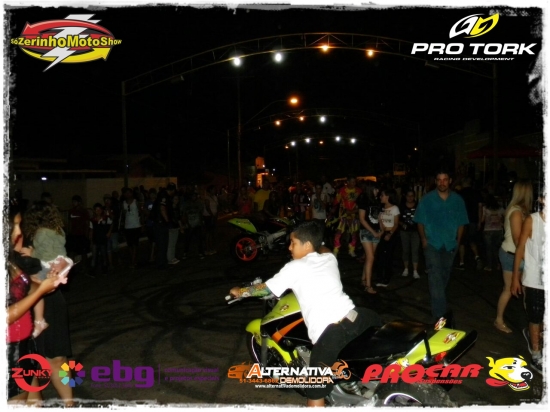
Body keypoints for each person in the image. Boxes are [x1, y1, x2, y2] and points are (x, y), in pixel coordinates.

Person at [229, 221, 381, 407]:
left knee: (314, 392)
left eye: (293, 243)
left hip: (333, 333)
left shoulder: (295, 267)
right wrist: (317, 242)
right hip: (360, 317)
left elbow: (266, 289)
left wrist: (240, 292)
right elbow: (324, 248)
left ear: (307, 245)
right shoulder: (329, 259)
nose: (289, 247)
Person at [19, 203, 75, 406]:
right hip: (23, 302)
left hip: (48, 298)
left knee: (57, 357)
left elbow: (49, 267)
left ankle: (70, 404)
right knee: (26, 361)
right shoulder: (45, 235)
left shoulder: (39, 236)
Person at [7, 204, 61, 405]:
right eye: (14, 226)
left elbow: (26, 288)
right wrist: (40, 291)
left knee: (37, 404)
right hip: (9, 352)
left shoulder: (10, 260)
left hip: (25, 346)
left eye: (19, 225)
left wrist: (47, 284)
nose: (19, 233)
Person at [414, 169, 469, 321]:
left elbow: (461, 223)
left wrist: (458, 241)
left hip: (450, 244)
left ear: (450, 181)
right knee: (435, 276)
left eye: (445, 179)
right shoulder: (427, 199)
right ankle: (440, 315)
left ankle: (437, 300)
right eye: (439, 180)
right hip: (432, 243)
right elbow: (419, 221)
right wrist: (424, 239)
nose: (442, 183)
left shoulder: (457, 200)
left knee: (444, 275)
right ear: (436, 181)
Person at [19, 201, 67, 338]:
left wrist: (32, 252)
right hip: (58, 263)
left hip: (48, 266)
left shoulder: (41, 232)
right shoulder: (58, 230)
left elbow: (46, 254)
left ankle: (39, 320)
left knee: (35, 288)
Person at [510, 194, 544, 374]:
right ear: (542, 199)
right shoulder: (532, 220)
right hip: (534, 280)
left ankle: (534, 337)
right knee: (535, 316)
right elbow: (520, 248)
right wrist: (515, 277)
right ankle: (536, 355)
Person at [494, 179, 533, 333]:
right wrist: (529, 259)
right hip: (511, 255)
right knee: (510, 289)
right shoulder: (516, 212)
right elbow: (518, 241)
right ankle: (499, 320)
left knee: (527, 290)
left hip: (516, 254)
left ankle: (533, 323)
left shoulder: (522, 211)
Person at [358, 182, 381, 294]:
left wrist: (381, 229)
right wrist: (373, 232)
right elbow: (362, 219)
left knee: (369, 257)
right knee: (370, 257)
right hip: (366, 232)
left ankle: (364, 279)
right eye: (376, 189)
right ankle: (368, 285)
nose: (378, 191)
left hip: (376, 231)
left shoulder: (377, 201)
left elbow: (379, 217)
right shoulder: (364, 200)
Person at [374, 188, 400, 288]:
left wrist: (390, 234)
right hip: (383, 232)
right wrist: (381, 226)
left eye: (382, 195)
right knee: (380, 256)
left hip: (391, 233)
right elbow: (380, 222)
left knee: (388, 256)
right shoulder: (382, 208)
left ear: (388, 197)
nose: (381, 197)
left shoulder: (395, 208)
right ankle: (379, 277)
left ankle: (386, 278)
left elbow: (396, 224)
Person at [456, 178, 483, 270]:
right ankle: (477, 257)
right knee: (472, 240)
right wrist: (479, 221)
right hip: (473, 220)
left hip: (462, 221)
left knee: (462, 241)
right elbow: (480, 207)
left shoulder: (460, 194)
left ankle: (462, 262)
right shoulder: (476, 193)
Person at [332, 176, 362, 258]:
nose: (354, 183)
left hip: (354, 214)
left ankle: (351, 250)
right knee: (338, 233)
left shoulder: (359, 191)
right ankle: (335, 250)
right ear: (347, 182)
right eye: (352, 182)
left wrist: (355, 211)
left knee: (354, 233)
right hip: (343, 214)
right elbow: (336, 201)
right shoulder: (342, 190)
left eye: (355, 182)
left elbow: (361, 203)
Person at [479, 194, 504, 272]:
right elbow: (505, 216)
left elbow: (482, 220)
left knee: (488, 249)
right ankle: (498, 264)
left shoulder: (485, 208)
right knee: (497, 248)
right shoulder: (500, 209)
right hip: (498, 230)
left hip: (488, 230)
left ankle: (489, 266)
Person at [66, 194, 89, 274]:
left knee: (83, 252)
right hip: (73, 234)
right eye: (73, 201)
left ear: (79, 202)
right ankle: (71, 268)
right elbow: (69, 222)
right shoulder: (71, 211)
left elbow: (87, 223)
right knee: (71, 252)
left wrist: (86, 234)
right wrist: (68, 232)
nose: (73, 203)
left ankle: (84, 267)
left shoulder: (83, 211)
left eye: (75, 202)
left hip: (81, 234)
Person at [400, 190, 421, 279]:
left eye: (412, 196)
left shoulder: (418, 206)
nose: (410, 197)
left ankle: (415, 270)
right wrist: (402, 224)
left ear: (414, 197)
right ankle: (406, 268)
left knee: (415, 250)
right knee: (405, 250)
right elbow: (397, 218)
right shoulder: (401, 206)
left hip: (415, 231)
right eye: (408, 195)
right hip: (404, 232)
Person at [89, 203, 113, 276]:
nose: (98, 211)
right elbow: (91, 230)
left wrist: (109, 232)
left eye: (99, 209)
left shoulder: (105, 218)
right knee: (94, 256)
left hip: (103, 240)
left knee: (104, 255)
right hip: (95, 240)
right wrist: (91, 241)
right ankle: (93, 271)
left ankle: (104, 269)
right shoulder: (92, 220)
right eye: (96, 210)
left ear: (102, 210)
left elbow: (111, 224)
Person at [121, 187, 142, 269]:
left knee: (135, 244)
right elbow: (123, 215)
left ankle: (133, 261)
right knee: (130, 244)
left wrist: (142, 223)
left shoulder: (136, 202)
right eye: (126, 193)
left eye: (129, 193)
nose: (127, 194)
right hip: (127, 226)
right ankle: (133, 258)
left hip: (136, 225)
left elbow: (140, 212)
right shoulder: (123, 203)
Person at [182, 191, 205, 259]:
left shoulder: (199, 203)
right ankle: (185, 252)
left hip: (197, 224)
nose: (194, 197)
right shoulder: (186, 204)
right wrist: (186, 223)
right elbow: (184, 214)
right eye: (193, 196)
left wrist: (201, 222)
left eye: (195, 196)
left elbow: (201, 213)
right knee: (187, 239)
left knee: (199, 239)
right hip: (189, 223)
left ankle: (200, 252)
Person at [203, 185, 219, 255]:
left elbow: (217, 206)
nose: (215, 191)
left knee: (212, 232)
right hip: (208, 217)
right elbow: (207, 207)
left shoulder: (215, 197)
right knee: (208, 233)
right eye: (213, 189)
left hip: (213, 216)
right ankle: (207, 248)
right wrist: (212, 215)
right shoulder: (207, 198)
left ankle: (211, 247)